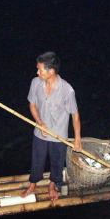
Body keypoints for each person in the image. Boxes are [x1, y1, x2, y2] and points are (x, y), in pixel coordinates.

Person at [22, 51, 82, 201]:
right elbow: (32, 104)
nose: (37, 72)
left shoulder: (67, 90)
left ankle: (52, 185)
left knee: (57, 162)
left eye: (40, 69)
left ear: (51, 71)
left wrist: (77, 139)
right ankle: (33, 184)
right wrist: (39, 122)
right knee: (37, 160)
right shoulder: (35, 82)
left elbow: (75, 115)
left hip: (58, 135)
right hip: (40, 132)